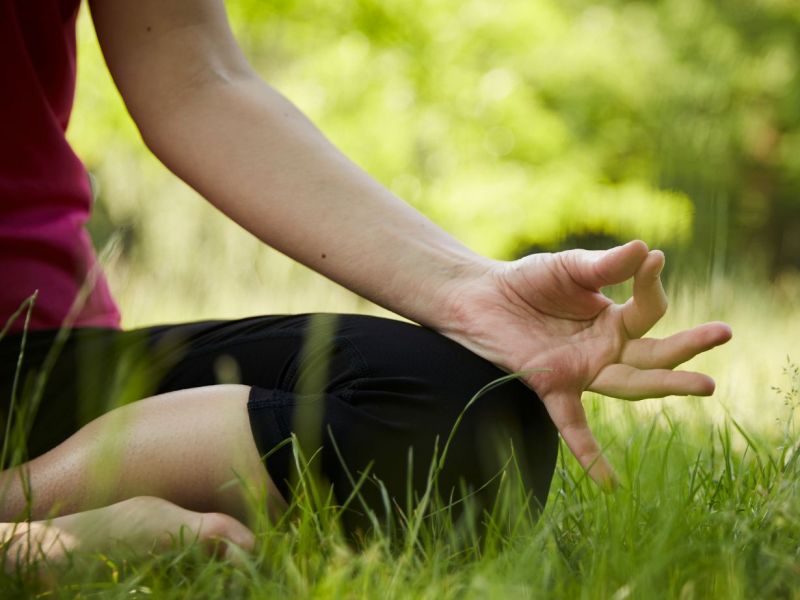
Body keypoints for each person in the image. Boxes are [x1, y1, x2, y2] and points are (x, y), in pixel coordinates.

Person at [0, 0, 732, 572]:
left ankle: (27, 497)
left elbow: (197, 80)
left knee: (474, 422)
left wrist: (469, 291)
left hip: (35, 357)